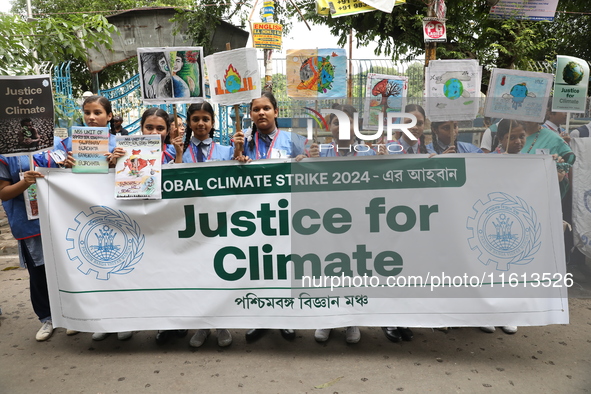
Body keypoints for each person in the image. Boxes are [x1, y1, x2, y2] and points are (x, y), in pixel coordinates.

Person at [233, 91, 306, 342]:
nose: (261, 113)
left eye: (266, 108)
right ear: (250, 115)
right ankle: (259, 320)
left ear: (276, 111)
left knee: (283, 268)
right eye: (256, 109)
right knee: (257, 269)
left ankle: (286, 319)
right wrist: (238, 155)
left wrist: (305, 158)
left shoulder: (294, 139)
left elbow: (313, 165)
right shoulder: (245, 141)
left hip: (286, 215)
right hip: (253, 218)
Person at [0, 155, 75, 340]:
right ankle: (47, 318)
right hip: (30, 224)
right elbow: (3, 192)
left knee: (69, 270)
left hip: (62, 219)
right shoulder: (6, 156)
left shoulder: (59, 146)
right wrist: (25, 182)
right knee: (39, 272)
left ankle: (73, 315)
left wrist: (69, 166)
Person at [309, 103, 375, 158]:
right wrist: (307, 160)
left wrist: (383, 160)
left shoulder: (371, 155)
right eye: (337, 123)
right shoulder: (318, 153)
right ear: (330, 126)